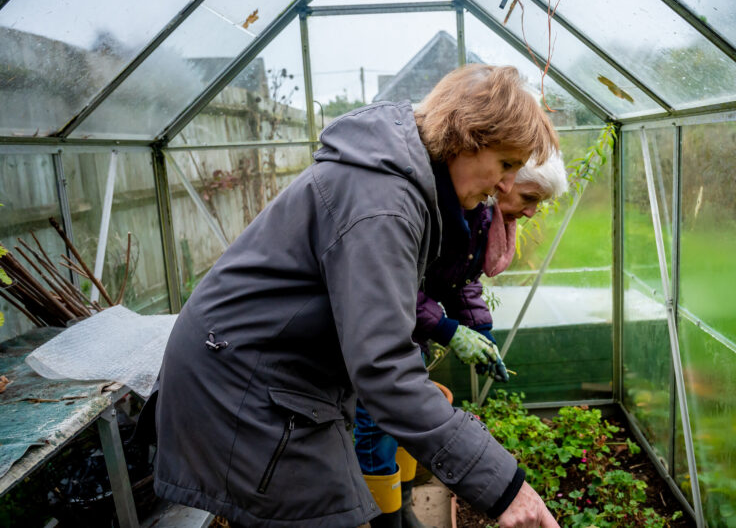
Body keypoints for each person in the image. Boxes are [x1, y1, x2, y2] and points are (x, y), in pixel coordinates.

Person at [151, 64, 561, 528]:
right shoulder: (383, 203)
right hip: (240, 382)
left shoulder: (404, 184)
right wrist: (505, 488)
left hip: (266, 371)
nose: (506, 187)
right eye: (506, 164)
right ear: (467, 137)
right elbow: (384, 367)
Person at [354, 152, 569, 527]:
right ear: (504, 181)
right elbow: (398, 289)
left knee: (400, 429)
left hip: (410, 338)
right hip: (379, 338)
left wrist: (480, 332)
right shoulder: (444, 210)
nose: (533, 212)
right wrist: (451, 330)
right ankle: (386, 520)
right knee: (375, 428)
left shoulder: (483, 220)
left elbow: (460, 280)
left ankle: (402, 506)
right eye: (529, 198)